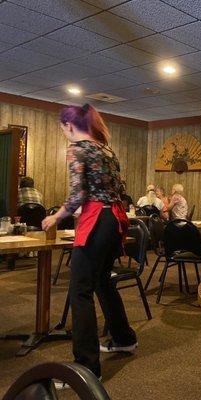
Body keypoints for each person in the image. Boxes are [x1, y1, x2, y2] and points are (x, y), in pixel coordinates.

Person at [41, 103, 137, 382]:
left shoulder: (77, 149)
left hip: (96, 220)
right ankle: (123, 338)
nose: (63, 134)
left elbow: (76, 196)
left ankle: (85, 367)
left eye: (62, 129)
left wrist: (55, 217)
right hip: (114, 221)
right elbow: (120, 190)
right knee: (102, 281)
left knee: (80, 290)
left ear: (68, 126)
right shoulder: (107, 149)